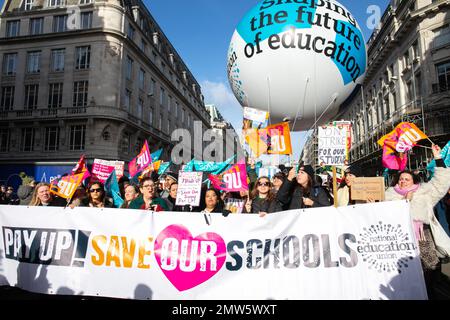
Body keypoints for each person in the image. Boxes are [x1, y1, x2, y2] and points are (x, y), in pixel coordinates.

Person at [385, 144, 450, 299]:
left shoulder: (424, 192)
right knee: (403, 269)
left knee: (430, 266)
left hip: (423, 235)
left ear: (413, 181)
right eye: (401, 179)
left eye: (406, 179)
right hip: (399, 237)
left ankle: (429, 292)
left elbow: (441, 182)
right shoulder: (389, 195)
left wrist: (438, 158)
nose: (403, 181)